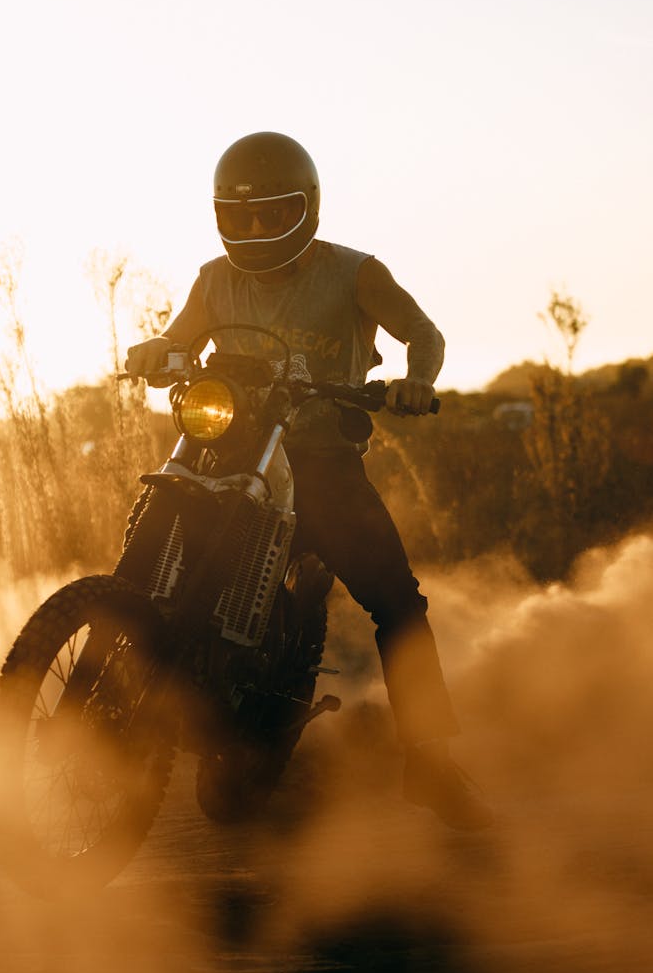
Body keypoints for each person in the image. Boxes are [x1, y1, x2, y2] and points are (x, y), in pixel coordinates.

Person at [126, 131, 492, 830]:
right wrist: (159, 350)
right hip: (228, 451)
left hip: (321, 463)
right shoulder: (214, 279)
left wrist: (417, 380)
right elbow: (180, 338)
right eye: (242, 216)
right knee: (160, 515)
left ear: (309, 207)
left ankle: (430, 759)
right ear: (220, 216)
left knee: (397, 601)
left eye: (274, 212)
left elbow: (424, 332)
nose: (257, 228)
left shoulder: (354, 273)